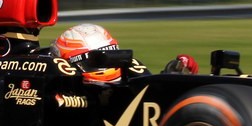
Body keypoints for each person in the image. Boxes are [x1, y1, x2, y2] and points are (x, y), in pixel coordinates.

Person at [53, 23, 198, 85]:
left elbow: (149, 88)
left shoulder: (129, 68)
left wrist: (171, 78)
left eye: (112, 56)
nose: (108, 64)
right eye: (99, 60)